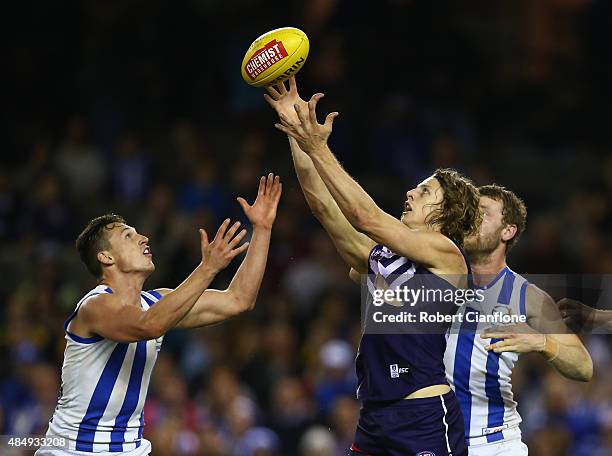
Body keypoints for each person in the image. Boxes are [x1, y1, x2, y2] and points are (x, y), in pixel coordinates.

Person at [266, 76, 480, 456]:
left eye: (426, 191)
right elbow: (323, 208)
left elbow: (365, 216)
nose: (411, 193)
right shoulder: (383, 258)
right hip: (375, 417)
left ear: (447, 213)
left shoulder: (448, 253)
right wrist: (297, 129)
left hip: (423, 416)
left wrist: (319, 146)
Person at [35, 174, 282, 456]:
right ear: (106, 257)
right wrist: (207, 269)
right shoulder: (95, 306)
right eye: (128, 235)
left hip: (131, 449)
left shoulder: (158, 301)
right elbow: (149, 325)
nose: (144, 237)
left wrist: (262, 229)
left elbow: (239, 299)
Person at [444, 184, 593, 455]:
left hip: (495, 443)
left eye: (483, 213)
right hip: (434, 438)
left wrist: (542, 342)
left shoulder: (529, 297)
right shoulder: (435, 276)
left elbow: (583, 367)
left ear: (507, 231)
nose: (472, 219)